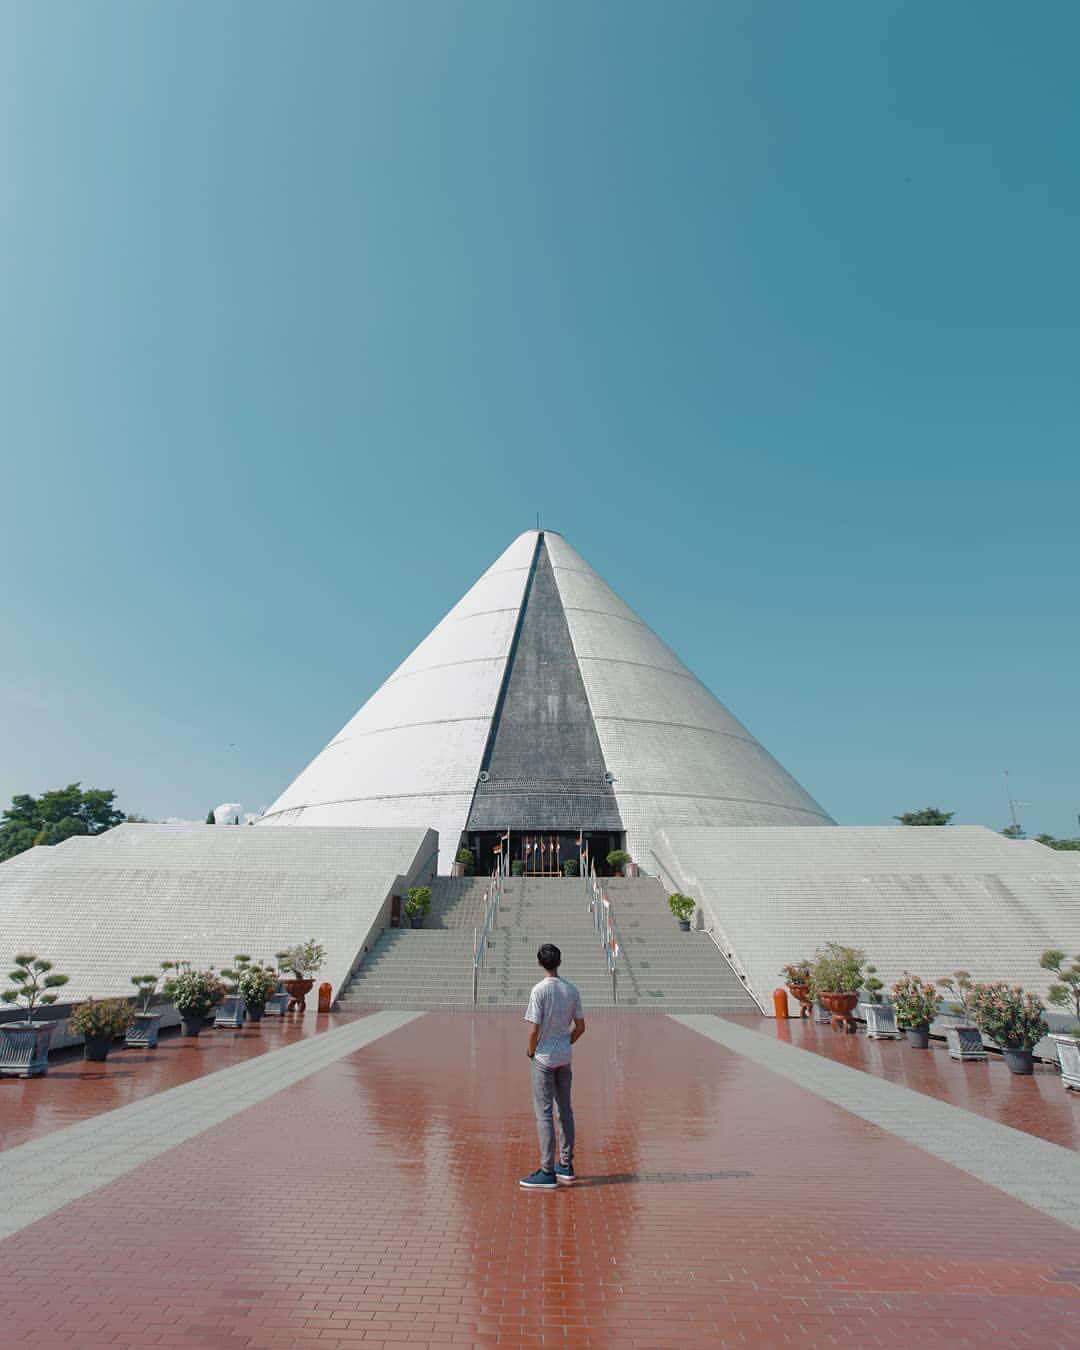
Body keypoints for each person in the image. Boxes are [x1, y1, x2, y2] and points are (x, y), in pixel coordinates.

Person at [520, 942, 585, 1190]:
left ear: (540, 963)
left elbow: (534, 1029)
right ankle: (566, 1165)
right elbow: (580, 1027)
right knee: (565, 1110)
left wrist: (531, 1050)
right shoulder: (571, 989)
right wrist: (567, 1042)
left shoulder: (539, 991)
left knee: (544, 1113)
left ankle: (547, 1170)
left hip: (544, 1059)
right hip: (564, 1058)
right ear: (559, 961)